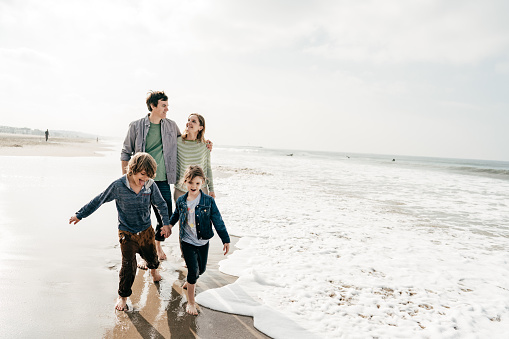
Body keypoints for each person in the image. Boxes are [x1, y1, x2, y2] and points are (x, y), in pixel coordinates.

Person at [68, 152, 172, 311]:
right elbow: (99, 199)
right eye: (142, 175)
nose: (144, 180)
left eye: (149, 176)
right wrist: (80, 214)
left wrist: (165, 224)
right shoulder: (118, 186)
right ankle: (123, 296)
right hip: (126, 233)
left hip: (146, 231)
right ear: (132, 169)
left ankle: (153, 270)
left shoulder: (150, 185)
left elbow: (161, 205)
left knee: (151, 257)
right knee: (128, 265)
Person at [120, 91, 180, 261]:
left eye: (167, 106)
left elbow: (185, 143)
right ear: (153, 106)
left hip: (162, 180)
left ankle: (157, 244)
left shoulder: (171, 126)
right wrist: (127, 180)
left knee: (165, 214)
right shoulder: (136, 126)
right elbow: (125, 152)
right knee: (141, 217)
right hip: (141, 180)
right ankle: (143, 253)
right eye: (163, 105)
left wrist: (204, 143)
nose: (167, 109)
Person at [168, 165, 230, 315]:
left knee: (200, 270)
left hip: (203, 241)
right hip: (187, 241)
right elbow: (176, 214)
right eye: (190, 182)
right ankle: (190, 302)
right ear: (185, 182)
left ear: (202, 182)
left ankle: (190, 281)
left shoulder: (208, 201)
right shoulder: (182, 200)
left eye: (197, 183)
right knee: (193, 270)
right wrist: (169, 225)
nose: (193, 186)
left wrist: (225, 239)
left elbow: (218, 220)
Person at [174, 113, 215, 201]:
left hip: (201, 190)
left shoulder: (205, 145)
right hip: (181, 190)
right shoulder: (177, 142)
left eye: (193, 121)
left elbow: (208, 168)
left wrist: (211, 189)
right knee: (181, 215)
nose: (189, 123)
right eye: (188, 120)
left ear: (201, 127)